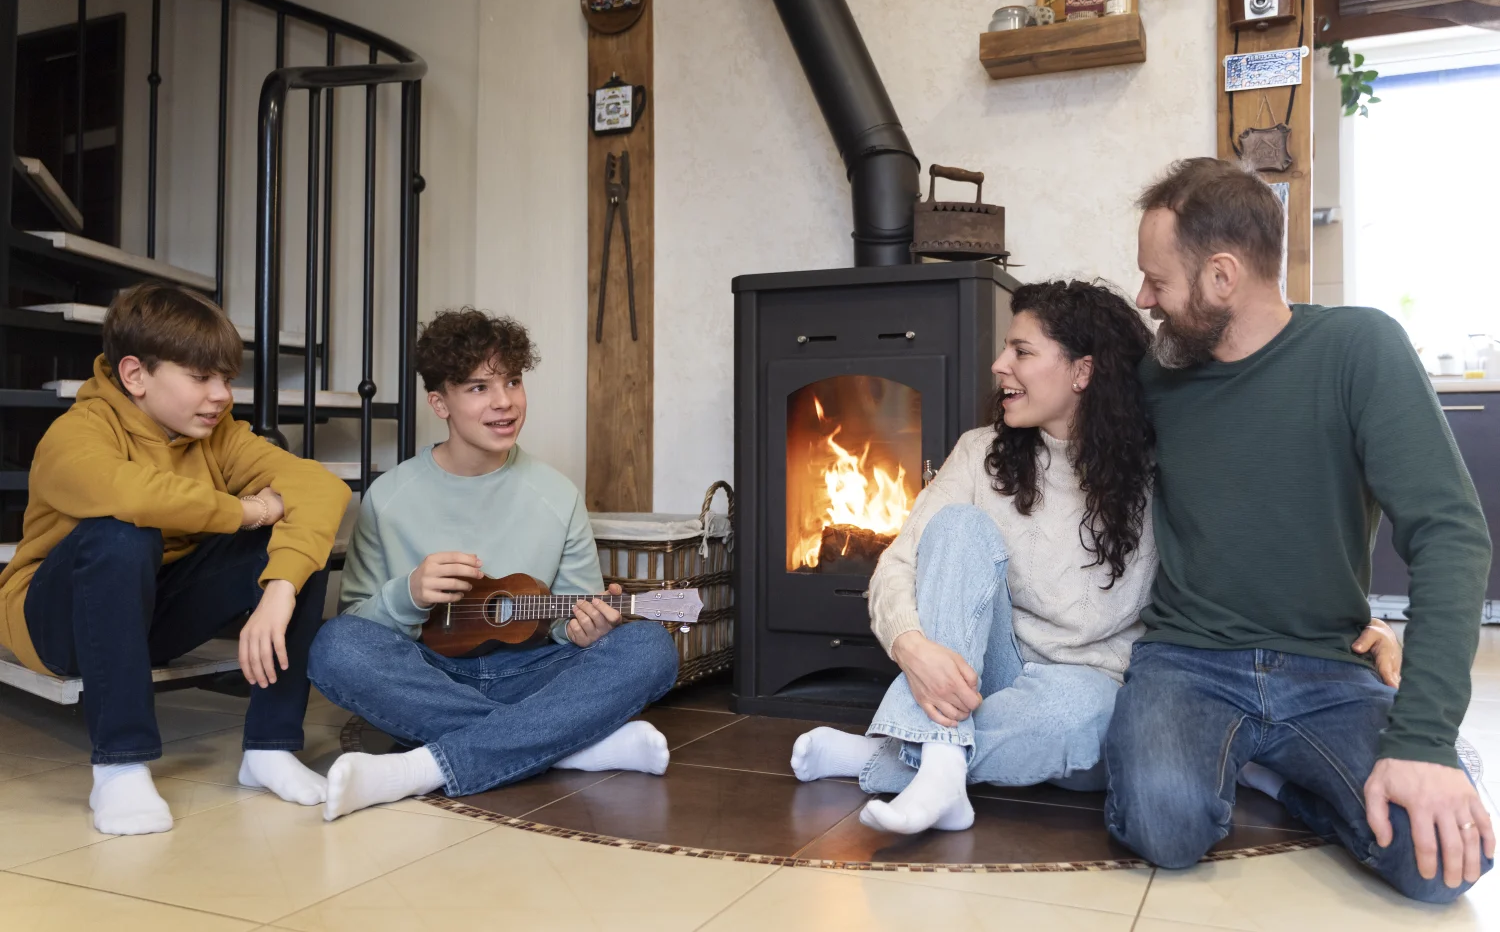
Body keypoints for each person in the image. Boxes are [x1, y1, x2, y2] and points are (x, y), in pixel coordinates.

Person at [789, 280, 1407, 839]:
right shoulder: (979, 453)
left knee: (1088, 715)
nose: (1000, 365)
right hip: (989, 672)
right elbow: (898, 565)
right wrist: (910, 647)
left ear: (1083, 371)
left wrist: (1362, 625)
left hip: (1091, 697)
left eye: (1022, 351)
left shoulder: (1162, 468)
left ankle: (889, 758)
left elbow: (1245, 562)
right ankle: (942, 762)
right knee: (956, 527)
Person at [1107, 157, 1493, 903]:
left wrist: (1425, 742)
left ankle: (1278, 775)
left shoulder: (1360, 349)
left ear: (1222, 277)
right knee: (1164, 827)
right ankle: (1265, 767)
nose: (1144, 299)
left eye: (1157, 281)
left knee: (1442, 866)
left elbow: (1450, 534)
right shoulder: (1158, 378)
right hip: (1190, 661)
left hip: (1328, 668)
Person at [0, 283, 351, 835]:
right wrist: (247, 510)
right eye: (201, 377)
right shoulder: (75, 434)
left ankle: (270, 747)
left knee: (296, 543)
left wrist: (280, 589)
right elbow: (134, 493)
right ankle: (119, 766)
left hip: (149, 613)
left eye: (226, 378)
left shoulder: (217, 436)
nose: (222, 395)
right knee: (123, 531)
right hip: (58, 625)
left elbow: (321, 487)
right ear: (135, 375)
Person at [307, 308, 679, 821]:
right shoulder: (389, 497)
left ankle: (423, 767)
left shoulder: (557, 494)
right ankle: (569, 746)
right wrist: (408, 593)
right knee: (335, 647)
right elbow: (357, 624)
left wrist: (585, 631)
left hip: (532, 674)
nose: (504, 401)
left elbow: (568, 621)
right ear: (440, 403)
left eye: (512, 381)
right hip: (430, 677)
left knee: (650, 647)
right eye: (479, 387)